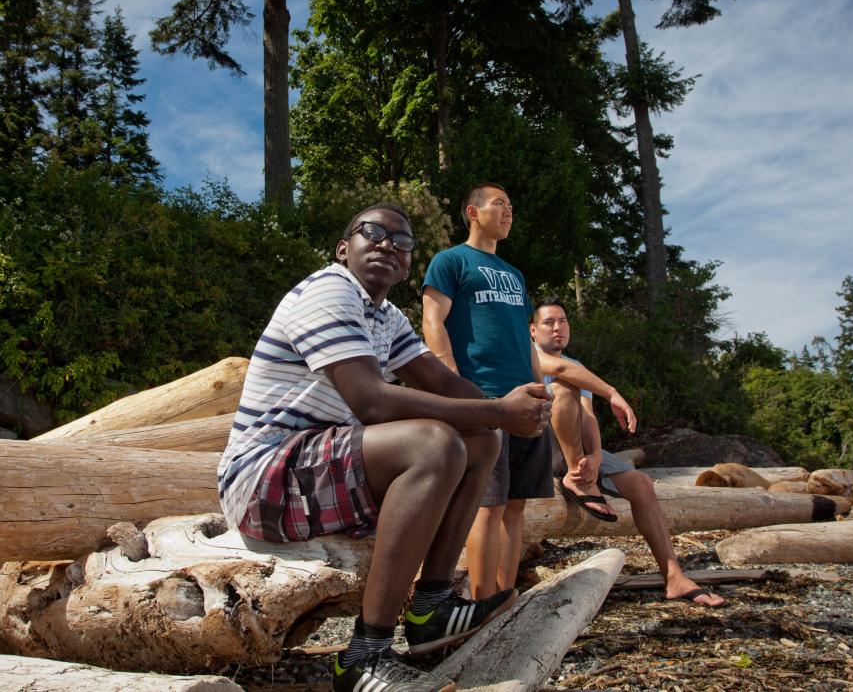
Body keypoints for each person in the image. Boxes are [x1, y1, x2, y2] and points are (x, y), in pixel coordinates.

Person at [217, 202, 552, 692]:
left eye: (402, 241)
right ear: (343, 248)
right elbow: (371, 400)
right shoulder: (329, 290)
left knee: (482, 438)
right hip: (263, 476)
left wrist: (508, 411)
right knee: (433, 444)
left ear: (408, 265)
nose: (387, 244)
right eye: (372, 233)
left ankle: (430, 611)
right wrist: (501, 410)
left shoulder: (386, 315)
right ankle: (363, 656)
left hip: (321, 462)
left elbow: (440, 381)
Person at [530, 297, 726, 607]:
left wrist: (595, 455)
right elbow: (561, 372)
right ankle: (578, 478)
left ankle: (674, 577)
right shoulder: (527, 354)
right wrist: (612, 393)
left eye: (563, 321)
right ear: (533, 330)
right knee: (564, 388)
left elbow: (587, 415)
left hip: (574, 446)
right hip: (537, 443)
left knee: (641, 484)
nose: (558, 328)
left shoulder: (578, 365)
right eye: (549, 322)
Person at [421, 182, 549, 601]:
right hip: (484, 399)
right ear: (473, 212)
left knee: (516, 504)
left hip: (526, 399)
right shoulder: (450, 261)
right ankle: (480, 602)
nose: (509, 211)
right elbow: (432, 322)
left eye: (510, 205)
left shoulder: (514, 273)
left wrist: (541, 389)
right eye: (499, 203)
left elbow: (525, 338)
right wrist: (456, 387)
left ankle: (504, 598)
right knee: (487, 504)